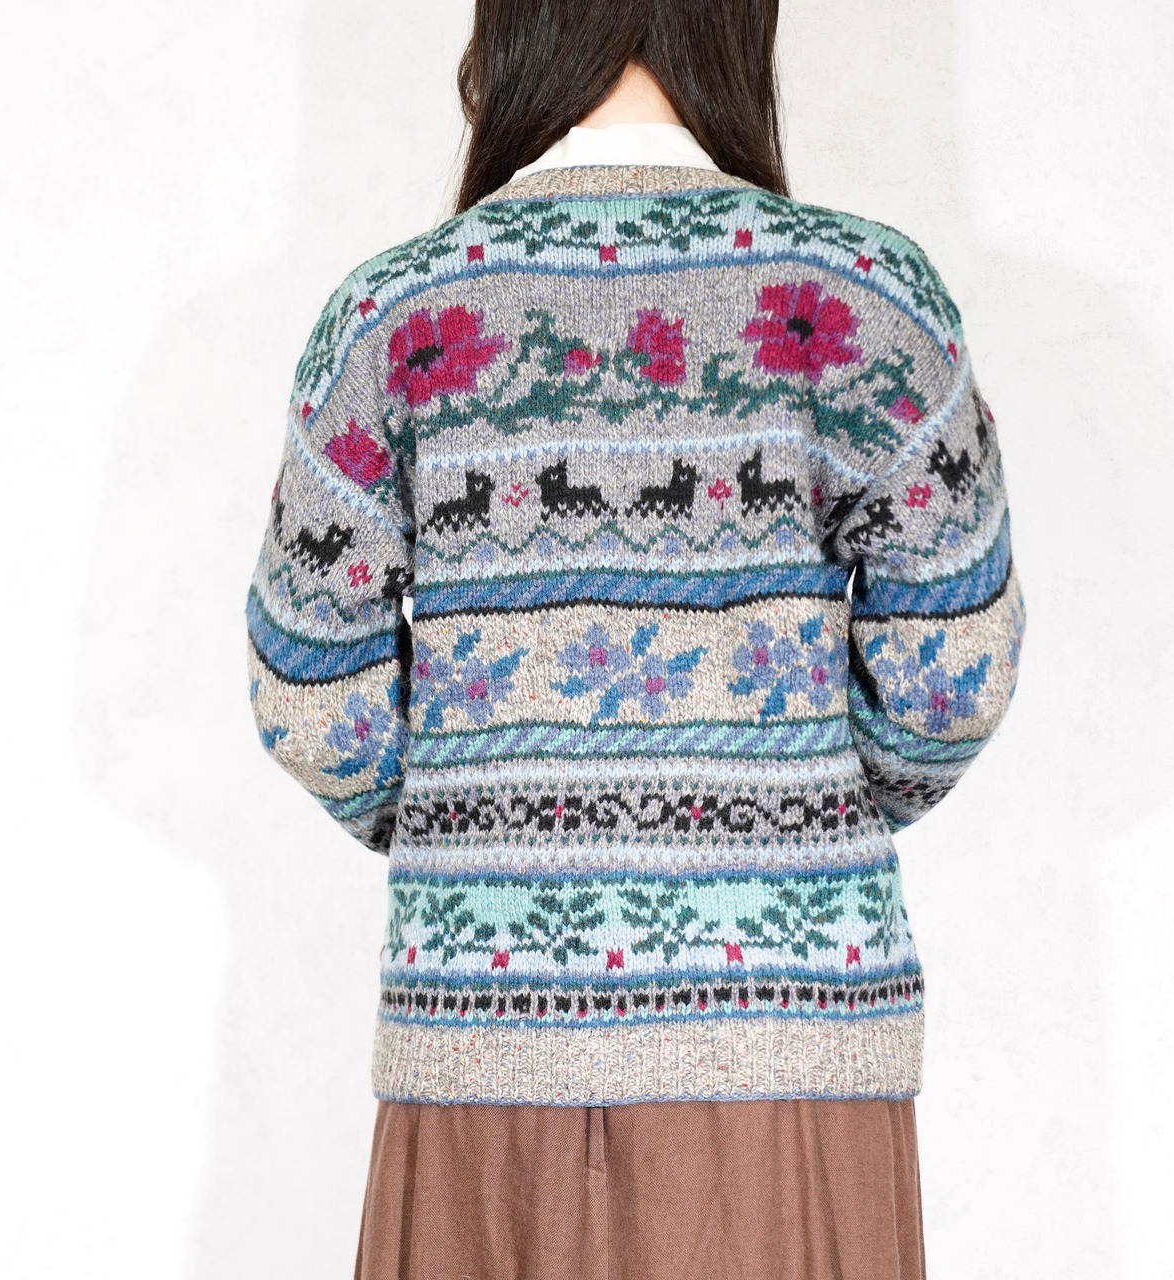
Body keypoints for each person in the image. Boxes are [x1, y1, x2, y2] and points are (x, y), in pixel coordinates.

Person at [242, 2, 1026, 1276]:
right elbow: (953, 675)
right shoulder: (864, 296)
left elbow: (308, 694)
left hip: (482, 1057)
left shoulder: (392, 315)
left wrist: (480, 816)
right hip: (790, 1058)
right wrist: (796, 800)